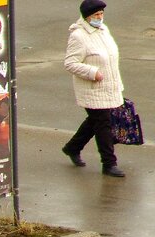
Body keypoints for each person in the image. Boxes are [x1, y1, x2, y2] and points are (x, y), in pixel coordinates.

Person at [62, 0, 125, 177]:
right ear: (87, 16)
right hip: (92, 88)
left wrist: (116, 84)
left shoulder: (103, 30)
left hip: (109, 86)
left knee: (95, 122)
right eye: (96, 15)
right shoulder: (78, 36)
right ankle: (109, 163)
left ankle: (72, 147)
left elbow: (111, 58)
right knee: (103, 124)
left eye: (101, 14)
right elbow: (70, 63)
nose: (100, 17)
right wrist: (92, 72)